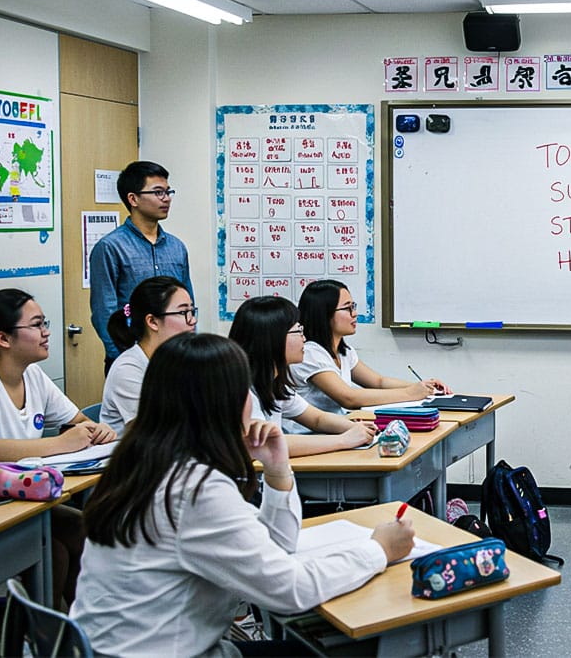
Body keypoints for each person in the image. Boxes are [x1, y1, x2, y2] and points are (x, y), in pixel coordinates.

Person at [72, 332, 415, 656]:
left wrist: (278, 471)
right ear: (224, 402)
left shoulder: (142, 462)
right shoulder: (194, 489)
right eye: (244, 390)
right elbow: (290, 591)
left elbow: (278, 547)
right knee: (363, 646)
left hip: (128, 648)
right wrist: (378, 550)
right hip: (167, 651)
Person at [0, 288, 117, 609]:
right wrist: (57, 444)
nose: (46, 333)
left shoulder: (34, 376)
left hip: (25, 499)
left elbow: (78, 421)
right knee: (53, 549)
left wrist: (97, 431)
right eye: (38, 325)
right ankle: (33, 634)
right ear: (3, 338)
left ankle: (78, 626)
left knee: (81, 530)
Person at [288, 280, 450, 431]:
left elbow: (378, 382)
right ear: (324, 314)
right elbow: (348, 398)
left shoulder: (344, 351)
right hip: (310, 434)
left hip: (338, 429)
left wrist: (423, 387)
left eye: (354, 306)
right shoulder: (310, 354)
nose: (354, 314)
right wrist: (410, 393)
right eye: (347, 308)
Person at [229, 296, 377, 456]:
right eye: (298, 331)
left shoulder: (273, 384)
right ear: (274, 338)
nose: (304, 339)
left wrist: (355, 427)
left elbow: (316, 418)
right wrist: (345, 440)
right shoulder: (242, 389)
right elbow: (267, 443)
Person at [89, 160, 193, 373]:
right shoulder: (110, 247)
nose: (166, 199)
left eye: (168, 191)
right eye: (158, 192)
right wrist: (125, 359)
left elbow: (187, 304)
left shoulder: (176, 247)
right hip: (130, 358)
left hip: (174, 356)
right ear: (133, 198)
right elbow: (103, 312)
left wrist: (188, 348)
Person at [100, 276, 196, 433]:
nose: (193, 320)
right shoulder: (127, 369)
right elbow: (157, 432)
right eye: (183, 312)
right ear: (152, 321)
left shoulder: (181, 359)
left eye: (191, 311)